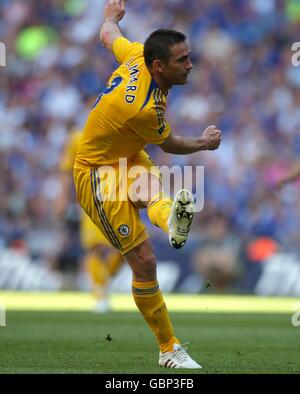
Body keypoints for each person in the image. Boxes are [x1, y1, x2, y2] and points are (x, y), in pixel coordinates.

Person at [73, 0, 222, 369]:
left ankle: (172, 219)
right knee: (145, 263)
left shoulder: (139, 54)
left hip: (129, 156)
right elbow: (170, 144)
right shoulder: (142, 108)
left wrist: (110, 16)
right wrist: (204, 142)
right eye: (182, 60)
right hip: (96, 173)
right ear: (159, 66)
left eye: (189, 56)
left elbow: (110, 36)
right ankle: (169, 349)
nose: (190, 65)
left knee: (151, 191)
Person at [58, 127, 124, 312]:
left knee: (124, 250)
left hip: (120, 199)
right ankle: (100, 294)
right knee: (94, 248)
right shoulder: (78, 137)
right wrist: (63, 198)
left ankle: (103, 281)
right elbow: (66, 169)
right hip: (91, 199)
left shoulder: (121, 133)